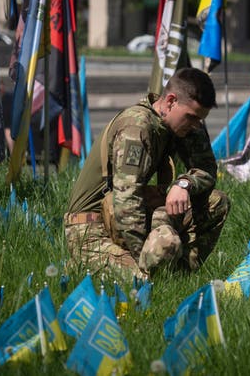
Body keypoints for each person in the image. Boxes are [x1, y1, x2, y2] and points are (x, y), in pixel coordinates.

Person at [64, 67, 229, 278]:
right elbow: (127, 203)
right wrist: (147, 258)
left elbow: (207, 170)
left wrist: (184, 184)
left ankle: (179, 276)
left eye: (201, 119)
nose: (196, 125)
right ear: (170, 102)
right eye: (191, 117)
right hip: (91, 227)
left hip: (126, 216)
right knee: (144, 282)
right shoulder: (137, 127)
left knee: (216, 202)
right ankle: (88, 263)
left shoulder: (183, 125)